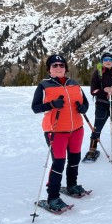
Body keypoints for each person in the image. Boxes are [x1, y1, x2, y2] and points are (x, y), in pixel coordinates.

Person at [31, 54, 89, 211]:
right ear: (49, 69)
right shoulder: (44, 86)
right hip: (55, 131)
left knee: (75, 158)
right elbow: (35, 107)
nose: (58, 68)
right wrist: (51, 104)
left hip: (76, 129)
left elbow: (86, 103)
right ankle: (53, 197)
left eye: (61, 65)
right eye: (54, 65)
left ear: (66, 68)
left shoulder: (74, 84)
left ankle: (72, 185)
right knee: (58, 163)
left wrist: (84, 108)